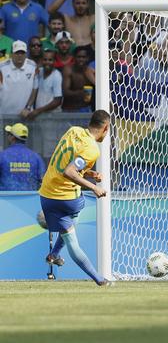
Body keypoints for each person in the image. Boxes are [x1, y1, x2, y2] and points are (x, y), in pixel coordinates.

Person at [39, 110, 112, 286]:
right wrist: (94, 187)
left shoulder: (73, 131)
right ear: (106, 128)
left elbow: (67, 162)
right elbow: (70, 171)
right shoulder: (92, 149)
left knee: (68, 225)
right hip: (65, 199)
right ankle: (100, 280)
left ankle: (54, 254)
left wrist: (89, 173)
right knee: (72, 239)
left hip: (46, 192)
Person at [0, 123, 45, 191]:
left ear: (12, 137)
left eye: (8, 134)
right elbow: (43, 180)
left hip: (5, 200)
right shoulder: (36, 157)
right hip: (30, 200)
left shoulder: (2, 156)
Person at [22, 50, 63, 120]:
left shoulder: (57, 76)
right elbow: (34, 90)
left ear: (55, 61)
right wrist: (28, 108)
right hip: (40, 115)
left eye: (50, 60)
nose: (47, 62)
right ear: (41, 60)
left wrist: (38, 111)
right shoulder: (39, 72)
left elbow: (58, 101)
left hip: (52, 116)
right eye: (45, 59)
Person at [0, 41, 39, 115]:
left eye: (22, 53)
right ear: (11, 54)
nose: (20, 55)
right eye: (17, 53)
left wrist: (28, 107)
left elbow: (35, 89)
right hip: (4, 114)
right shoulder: (1, 67)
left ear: (26, 54)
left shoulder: (33, 66)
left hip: (25, 115)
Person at [62, 46, 95, 112]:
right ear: (74, 57)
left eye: (83, 57)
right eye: (79, 57)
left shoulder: (90, 71)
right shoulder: (68, 70)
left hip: (85, 108)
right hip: (69, 109)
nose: (81, 59)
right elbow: (65, 92)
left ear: (87, 58)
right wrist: (80, 93)